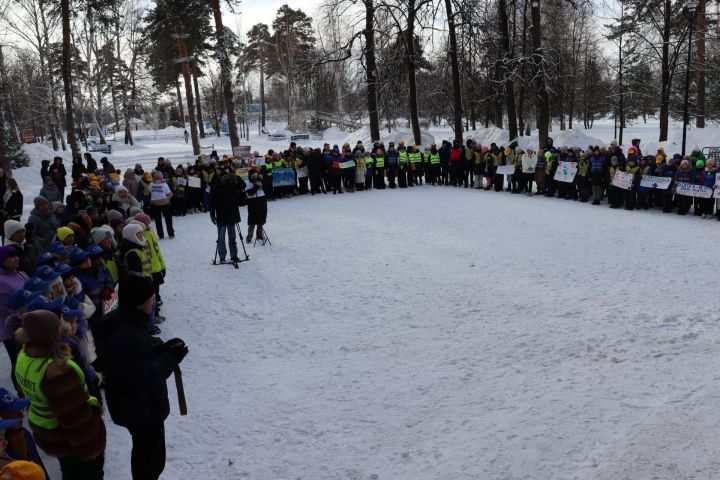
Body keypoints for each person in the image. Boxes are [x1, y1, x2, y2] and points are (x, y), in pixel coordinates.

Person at [101, 276, 188, 480]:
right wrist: (170, 359)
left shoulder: (129, 321)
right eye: (151, 296)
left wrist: (161, 349)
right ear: (139, 301)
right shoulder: (126, 334)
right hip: (140, 410)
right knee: (150, 461)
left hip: (141, 408)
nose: (155, 298)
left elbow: (138, 358)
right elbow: (141, 379)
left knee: (149, 457)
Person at [14, 310, 106, 479]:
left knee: (69, 472)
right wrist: (92, 446)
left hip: (49, 433)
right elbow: (77, 421)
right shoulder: (58, 372)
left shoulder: (23, 357)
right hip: (71, 441)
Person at [209, 172, 245, 263]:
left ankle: (234, 256)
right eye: (224, 177)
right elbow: (212, 203)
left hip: (232, 215)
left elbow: (243, 185)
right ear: (220, 178)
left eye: (227, 177)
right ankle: (222, 257)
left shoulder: (232, 185)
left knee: (232, 237)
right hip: (221, 216)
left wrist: (237, 176)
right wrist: (212, 215)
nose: (225, 179)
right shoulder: (215, 187)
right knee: (221, 238)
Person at [148, 172, 174, 239]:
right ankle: (171, 234)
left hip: (154, 204)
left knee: (158, 220)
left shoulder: (151, 184)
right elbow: (169, 193)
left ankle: (160, 235)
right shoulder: (164, 184)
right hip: (164, 203)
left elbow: (149, 191)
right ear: (161, 177)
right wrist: (168, 198)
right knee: (168, 219)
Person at [245, 168, 267, 244]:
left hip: (261, 200)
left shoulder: (260, 181)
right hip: (252, 201)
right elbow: (250, 193)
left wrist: (262, 181)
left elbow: (266, 189)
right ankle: (249, 237)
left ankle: (259, 235)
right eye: (253, 176)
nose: (255, 177)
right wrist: (256, 186)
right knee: (252, 219)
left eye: (256, 175)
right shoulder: (247, 182)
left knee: (261, 217)